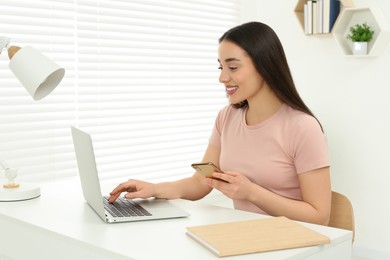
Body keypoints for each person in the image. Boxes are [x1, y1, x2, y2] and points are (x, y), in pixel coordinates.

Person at [109, 21, 331, 225]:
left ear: (265, 66)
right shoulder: (226, 117)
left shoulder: (302, 127)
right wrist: (153, 189)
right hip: (244, 235)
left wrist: (252, 192)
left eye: (232, 68)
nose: (222, 78)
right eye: (220, 68)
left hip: (292, 240)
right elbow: (200, 182)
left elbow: (319, 216)